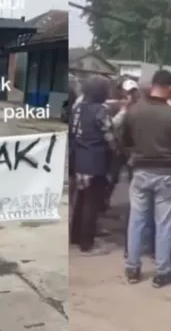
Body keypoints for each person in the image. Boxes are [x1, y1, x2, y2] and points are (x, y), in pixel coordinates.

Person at [121, 70, 171, 287]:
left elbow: (123, 139)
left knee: (137, 220)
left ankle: (132, 268)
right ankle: (162, 272)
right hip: (167, 173)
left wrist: (133, 156)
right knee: (164, 224)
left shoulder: (133, 110)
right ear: (170, 87)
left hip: (140, 170)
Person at [70, 75, 118, 255]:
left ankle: (75, 237)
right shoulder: (101, 110)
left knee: (80, 200)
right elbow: (110, 137)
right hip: (95, 161)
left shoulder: (77, 108)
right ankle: (87, 244)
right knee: (92, 202)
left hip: (78, 160)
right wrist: (117, 152)